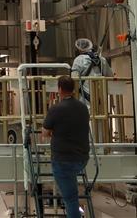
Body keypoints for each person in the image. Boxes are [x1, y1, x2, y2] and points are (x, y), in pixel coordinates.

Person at [42, 76, 90, 218]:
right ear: (73, 89)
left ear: (60, 89)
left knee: (70, 199)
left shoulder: (56, 109)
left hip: (63, 160)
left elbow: (45, 132)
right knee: (72, 192)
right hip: (82, 158)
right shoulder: (83, 108)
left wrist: (54, 132)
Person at [71, 38, 113, 106]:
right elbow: (110, 76)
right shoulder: (102, 59)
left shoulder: (78, 60)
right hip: (101, 100)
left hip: (84, 100)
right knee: (101, 115)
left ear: (79, 49)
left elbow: (74, 80)